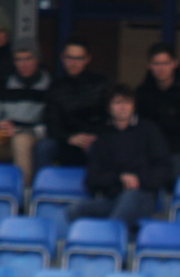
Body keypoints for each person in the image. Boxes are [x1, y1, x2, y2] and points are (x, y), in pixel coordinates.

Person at [66, 84, 170, 230]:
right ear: (109, 108)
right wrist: (119, 178)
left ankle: (112, 237)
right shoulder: (102, 136)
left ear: (134, 106)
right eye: (117, 102)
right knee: (74, 210)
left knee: (127, 201)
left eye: (127, 102)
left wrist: (138, 180)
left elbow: (163, 168)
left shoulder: (149, 131)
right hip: (112, 199)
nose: (123, 107)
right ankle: (121, 234)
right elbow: (93, 179)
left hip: (143, 196)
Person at [0, 40, 51, 185]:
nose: (23, 64)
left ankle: (22, 192)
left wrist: (18, 130)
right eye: (18, 60)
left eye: (28, 59)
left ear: (37, 59)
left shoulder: (49, 85)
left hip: (32, 139)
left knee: (21, 140)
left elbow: (48, 127)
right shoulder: (6, 84)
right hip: (5, 137)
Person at [35, 36, 110, 171]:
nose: (73, 63)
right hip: (66, 141)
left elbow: (111, 117)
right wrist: (69, 137)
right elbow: (51, 122)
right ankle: (44, 184)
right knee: (44, 147)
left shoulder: (102, 83)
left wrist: (96, 136)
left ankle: (101, 185)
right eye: (69, 58)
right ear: (62, 58)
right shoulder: (55, 87)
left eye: (79, 58)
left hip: (96, 139)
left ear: (88, 59)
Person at [135, 42, 180, 185]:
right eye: (156, 63)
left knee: (170, 173)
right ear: (149, 65)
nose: (161, 68)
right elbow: (139, 126)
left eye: (165, 63)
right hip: (150, 152)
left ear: (174, 64)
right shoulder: (142, 93)